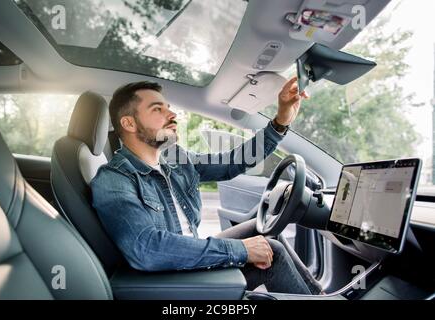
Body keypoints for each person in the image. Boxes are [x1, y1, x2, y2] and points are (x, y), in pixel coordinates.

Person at [91, 77, 322, 294]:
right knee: (274, 253)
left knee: (265, 232)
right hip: (166, 277)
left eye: (168, 107)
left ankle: (320, 297)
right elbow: (148, 249)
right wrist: (240, 251)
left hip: (188, 256)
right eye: (158, 109)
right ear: (129, 123)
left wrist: (280, 122)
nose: (172, 114)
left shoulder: (174, 159)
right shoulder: (113, 180)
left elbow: (233, 162)